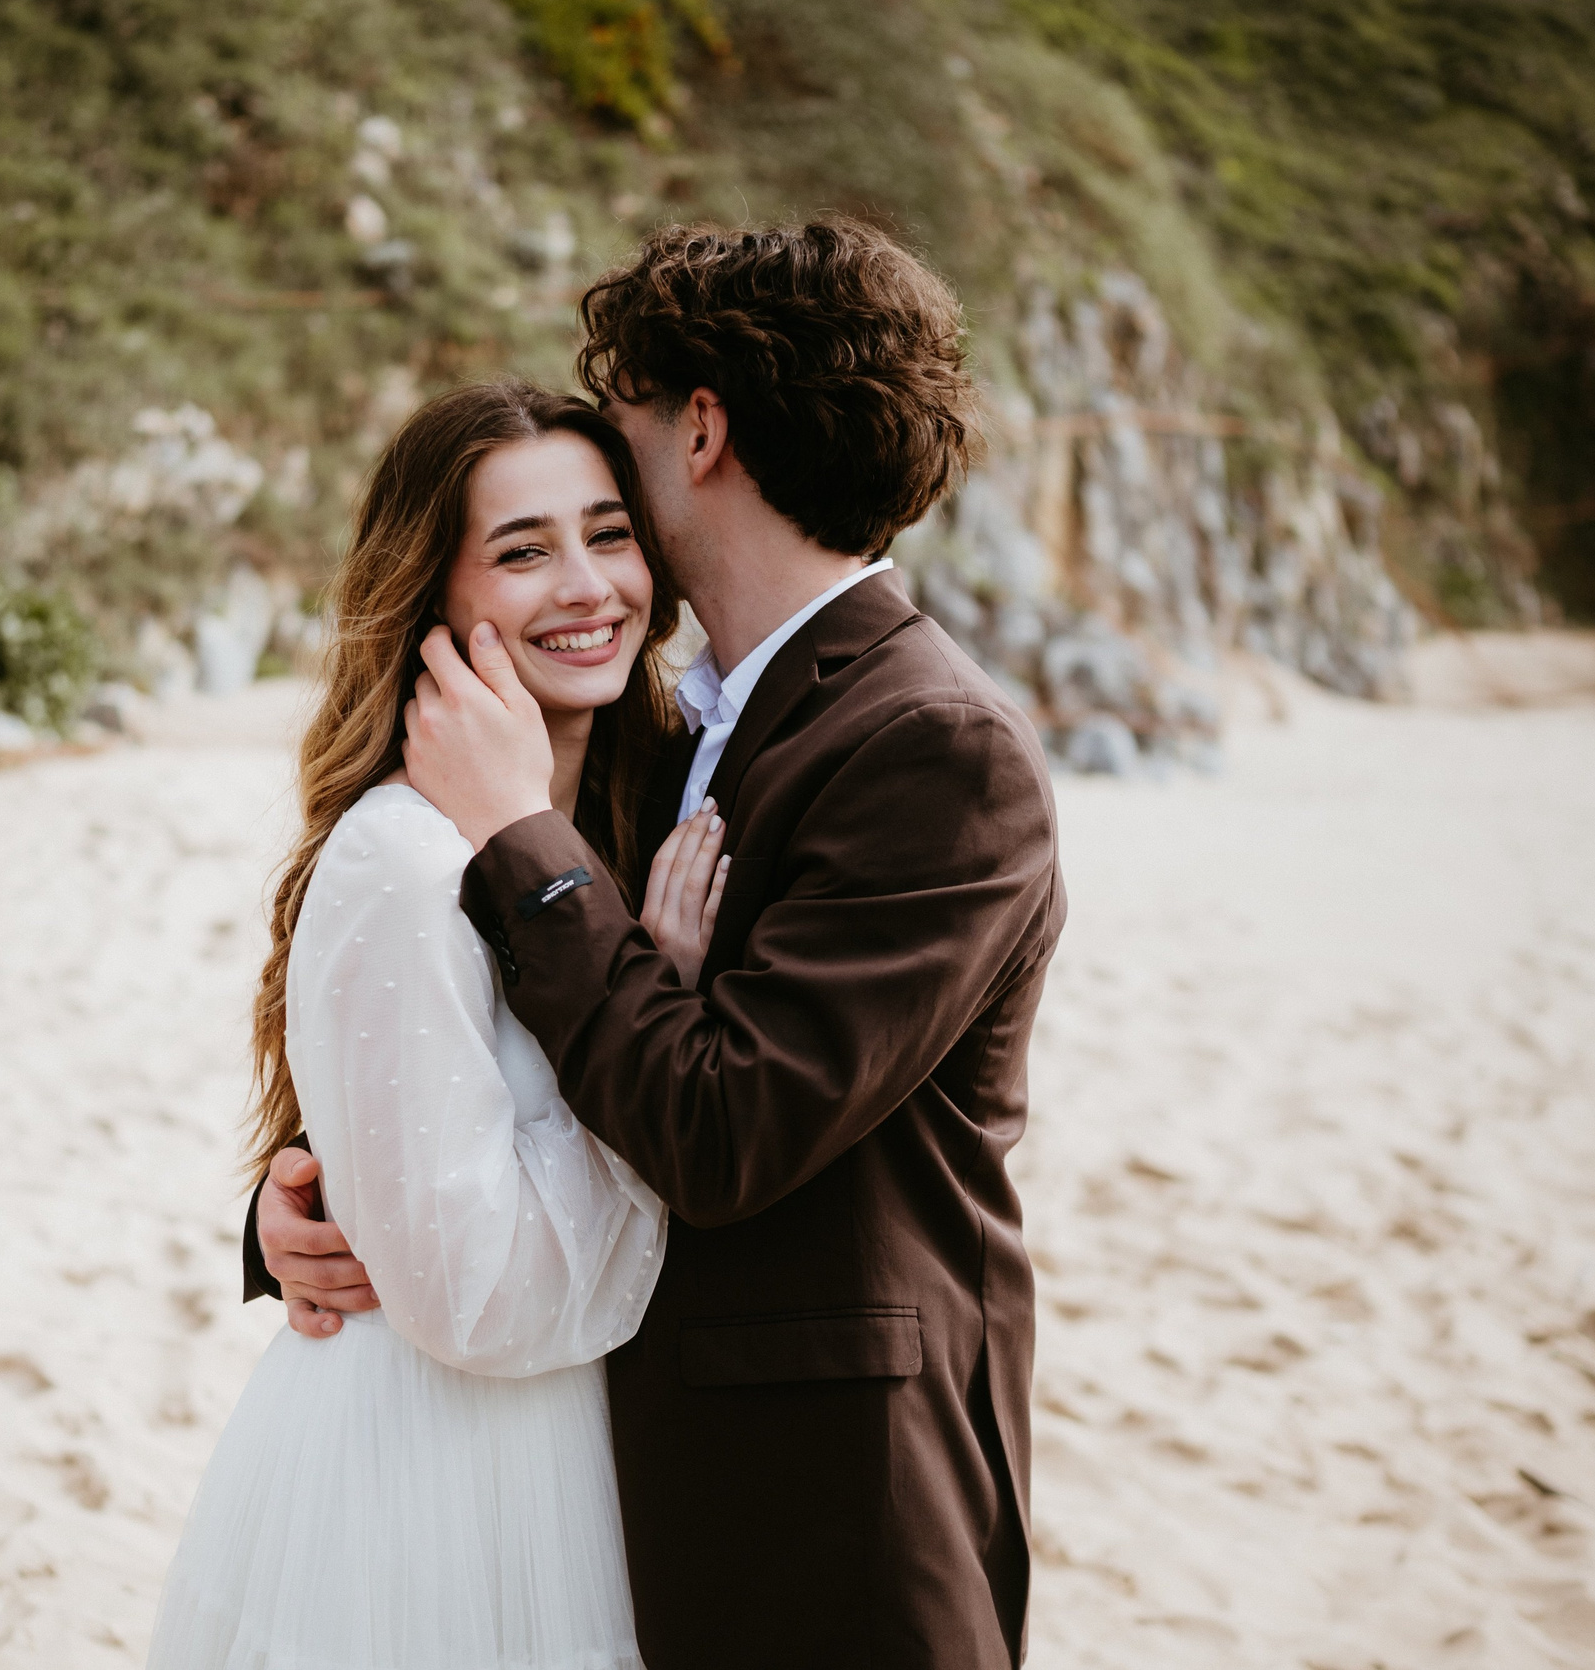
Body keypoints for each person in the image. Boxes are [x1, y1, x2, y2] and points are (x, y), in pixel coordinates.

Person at [249, 218, 1065, 1669]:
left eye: (620, 435)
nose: (596, 538)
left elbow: (721, 1124)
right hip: (570, 1485)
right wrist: (302, 1208)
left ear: (697, 428)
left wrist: (522, 838)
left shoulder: (929, 743)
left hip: (818, 1516)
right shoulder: (665, 731)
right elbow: (458, 1043)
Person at [150, 379, 737, 1669]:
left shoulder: (652, 801)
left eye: (609, 533)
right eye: (522, 552)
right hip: (443, 1477)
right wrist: (668, 1000)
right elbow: (468, 1291)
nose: (585, 586)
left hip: (587, 1447)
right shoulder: (405, 865)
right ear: (434, 595)